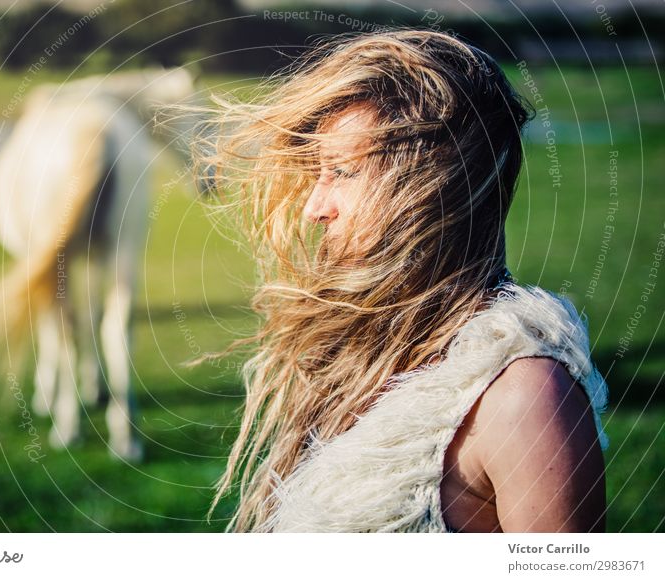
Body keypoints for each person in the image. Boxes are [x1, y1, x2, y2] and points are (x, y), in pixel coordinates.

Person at [192, 28, 610, 533]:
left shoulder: (524, 396)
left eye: (342, 172)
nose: (314, 208)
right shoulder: (359, 359)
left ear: (428, 184)